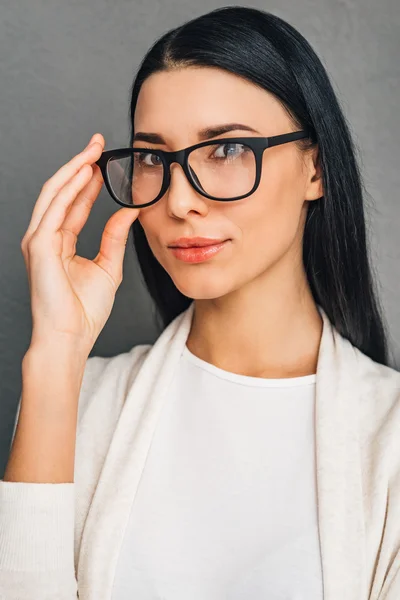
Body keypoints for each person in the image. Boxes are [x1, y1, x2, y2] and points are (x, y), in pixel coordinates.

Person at [1, 5, 399, 600]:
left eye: (228, 149)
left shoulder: (388, 437)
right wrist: (55, 357)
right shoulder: (78, 402)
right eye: (153, 158)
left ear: (315, 167)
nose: (181, 200)